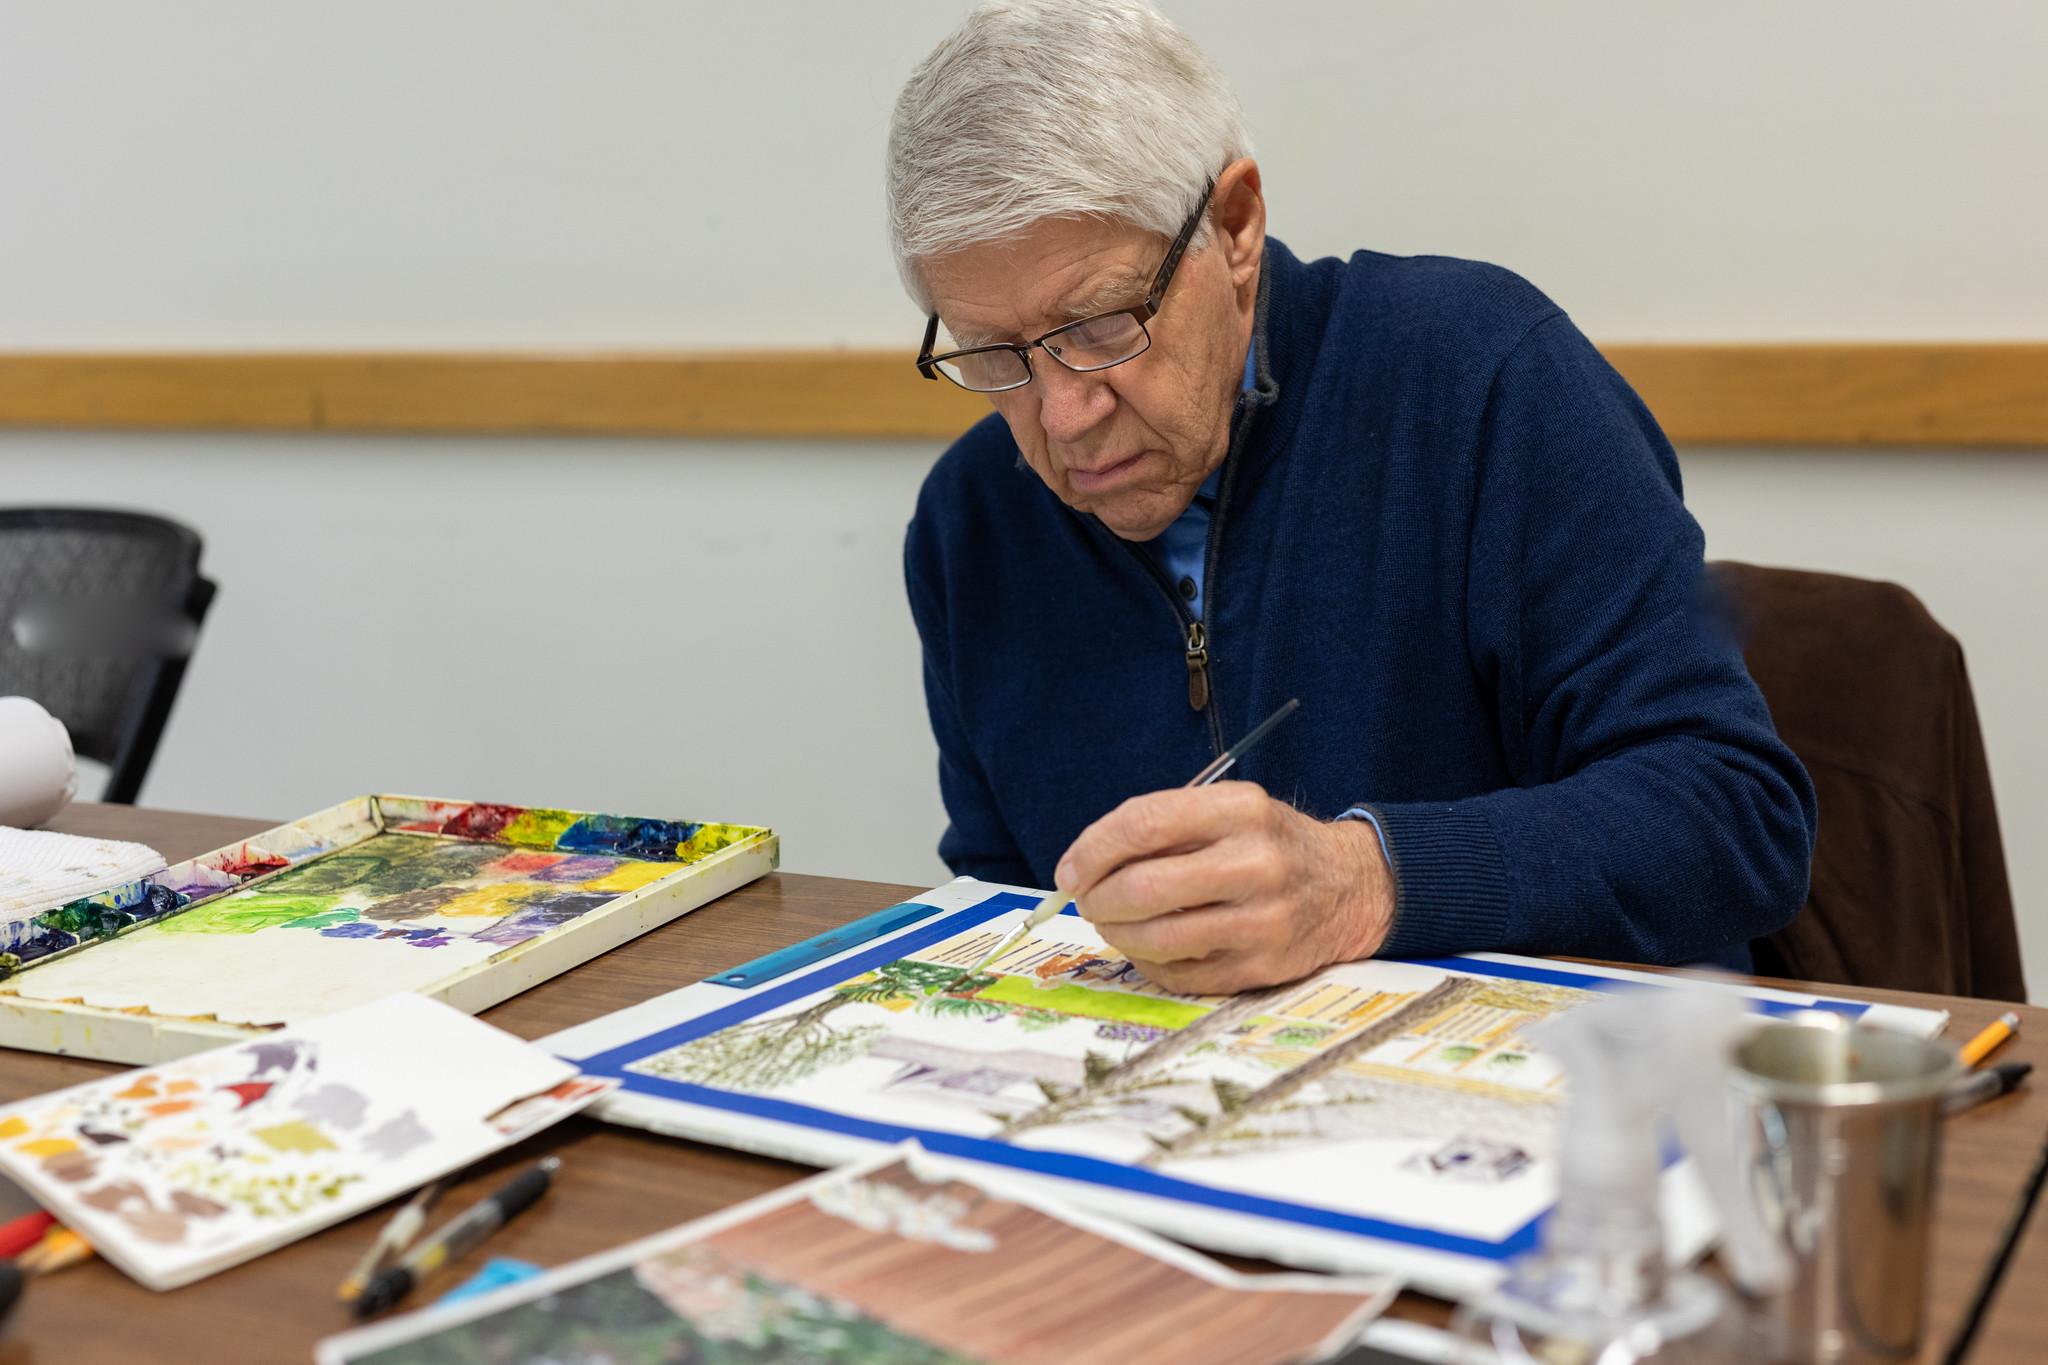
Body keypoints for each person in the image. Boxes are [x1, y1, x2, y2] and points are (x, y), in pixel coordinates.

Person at [890, 0, 1816, 994]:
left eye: (1101, 323)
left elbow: (1732, 818)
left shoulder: (1476, 378)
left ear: (1233, 226)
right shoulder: (969, 522)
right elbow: (1003, 895)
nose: (1062, 416)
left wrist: (1364, 880)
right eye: (994, 353)